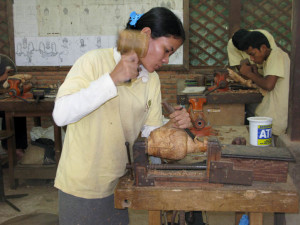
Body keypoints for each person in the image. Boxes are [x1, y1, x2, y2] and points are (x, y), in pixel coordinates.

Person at [52, 7, 191, 225]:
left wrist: (174, 127)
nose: (166, 60)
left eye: (171, 54)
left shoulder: (151, 80)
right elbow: (61, 115)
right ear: (145, 35)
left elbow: (150, 132)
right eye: (166, 50)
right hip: (82, 185)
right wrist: (112, 78)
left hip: (120, 183)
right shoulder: (94, 62)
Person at [238, 31, 290, 140]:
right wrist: (255, 74)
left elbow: (269, 85)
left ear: (263, 48)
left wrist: (249, 73)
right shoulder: (268, 59)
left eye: (252, 54)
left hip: (275, 120)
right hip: (269, 117)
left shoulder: (277, 55)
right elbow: (266, 82)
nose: (252, 58)